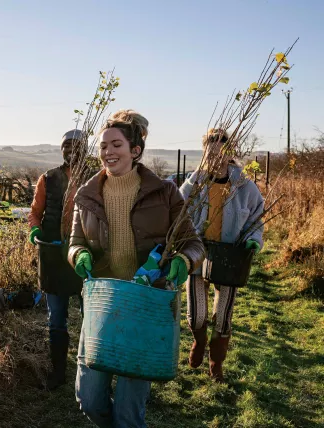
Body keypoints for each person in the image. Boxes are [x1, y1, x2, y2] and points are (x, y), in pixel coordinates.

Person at [67, 110, 205, 427]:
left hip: (145, 305)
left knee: (129, 413)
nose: (108, 152)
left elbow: (193, 243)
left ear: (135, 151)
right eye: (103, 146)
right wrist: (78, 256)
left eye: (116, 144)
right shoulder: (86, 195)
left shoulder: (165, 192)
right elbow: (75, 242)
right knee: (88, 398)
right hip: (103, 304)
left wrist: (184, 261)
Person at [180, 128, 264, 382]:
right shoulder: (193, 185)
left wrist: (252, 241)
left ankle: (216, 363)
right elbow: (177, 214)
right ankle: (198, 341)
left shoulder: (245, 187)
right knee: (197, 315)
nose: (216, 158)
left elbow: (255, 218)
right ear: (205, 153)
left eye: (221, 153)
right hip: (197, 254)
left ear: (230, 155)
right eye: (210, 152)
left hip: (230, 257)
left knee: (223, 318)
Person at [28, 129, 84, 390]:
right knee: (56, 317)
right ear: (61, 149)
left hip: (86, 256)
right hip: (52, 253)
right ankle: (58, 372)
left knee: (90, 315)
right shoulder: (48, 179)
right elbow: (36, 212)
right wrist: (35, 229)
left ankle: (89, 370)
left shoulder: (95, 178)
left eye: (76, 146)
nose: (71, 151)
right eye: (67, 146)